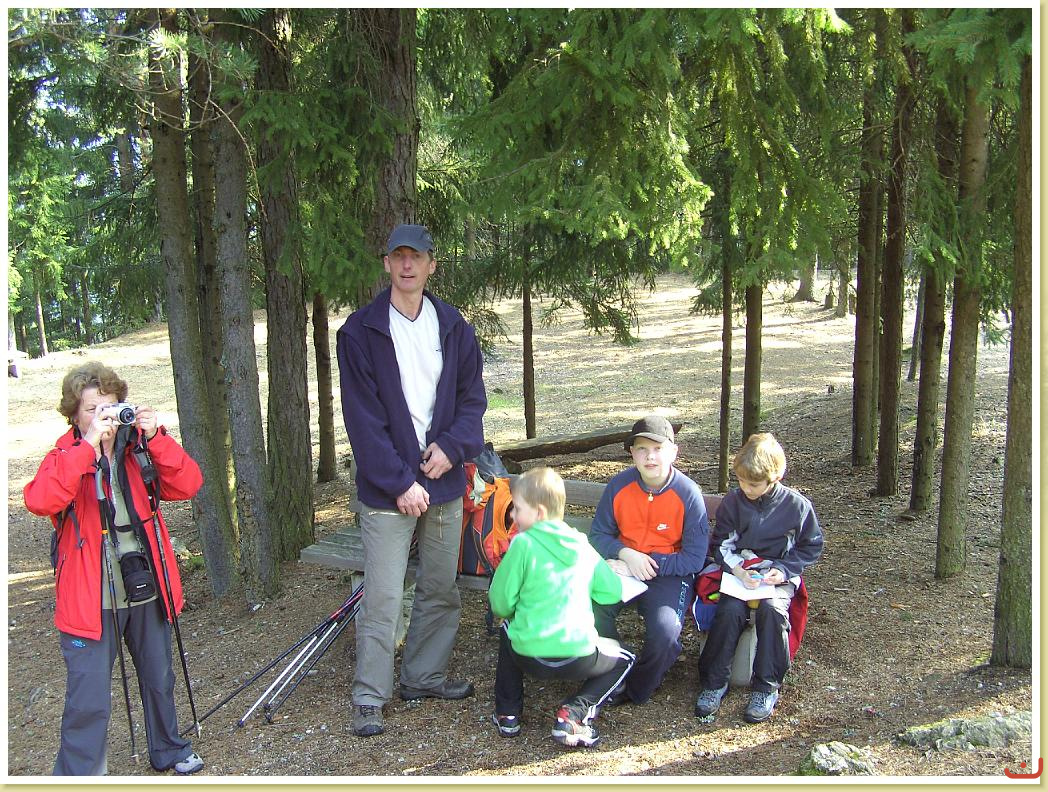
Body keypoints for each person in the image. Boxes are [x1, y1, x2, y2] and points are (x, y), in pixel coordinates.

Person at [336, 223, 487, 738]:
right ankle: (369, 697)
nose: (407, 265)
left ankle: (423, 677)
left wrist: (451, 448)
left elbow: (472, 401)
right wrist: (400, 482)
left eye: (416, 257)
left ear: (431, 265)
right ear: (386, 264)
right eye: (398, 256)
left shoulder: (453, 326)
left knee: (440, 589)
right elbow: (363, 421)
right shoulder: (360, 332)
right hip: (387, 491)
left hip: (444, 482)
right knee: (382, 597)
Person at [22, 362, 204, 776]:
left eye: (110, 405)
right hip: (91, 598)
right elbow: (40, 500)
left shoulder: (138, 449)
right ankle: (80, 775)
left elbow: (188, 484)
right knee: (88, 698)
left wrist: (156, 437)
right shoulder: (65, 455)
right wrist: (86, 448)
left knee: (159, 679)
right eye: (92, 409)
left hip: (145, 585)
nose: (103, 416)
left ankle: (169, 749)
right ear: (74, 416)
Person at [488, 467, 635, 748]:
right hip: (578, 657)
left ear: (539, 513)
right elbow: (611, 592)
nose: (513, 515)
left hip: (529, 655)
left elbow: (500, 604)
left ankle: (508, 713)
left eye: (518, 509)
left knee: (508, 627)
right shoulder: (581, 545)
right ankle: (575, 712)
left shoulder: (522, 545)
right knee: (626, 658)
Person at [694, 432, 824, 724]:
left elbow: (811, 546)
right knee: (728, 611)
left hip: (777, 576)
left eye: (753, 484)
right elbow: (720, 545)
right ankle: (713, 683)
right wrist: (738, 570)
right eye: (741, 481)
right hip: (740, 573)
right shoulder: (734, 501)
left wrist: (784, 570)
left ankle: (766, 686)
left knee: (772, 612)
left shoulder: (796, 506)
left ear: (774, 478)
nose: (746, 488)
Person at [589, 415, 709, 706]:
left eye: (658, 448)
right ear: (632, 453)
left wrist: (649, 562)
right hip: (623, 569)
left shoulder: (688, 494)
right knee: (592, 613)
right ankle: (613, 673)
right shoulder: (619, 486)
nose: (650, 456)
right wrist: (627, 554)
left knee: (665, 633)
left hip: (668, 574)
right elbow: (598, 535)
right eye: (642, 449)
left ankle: (635, 688)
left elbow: (694, 558)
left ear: (673, 452)